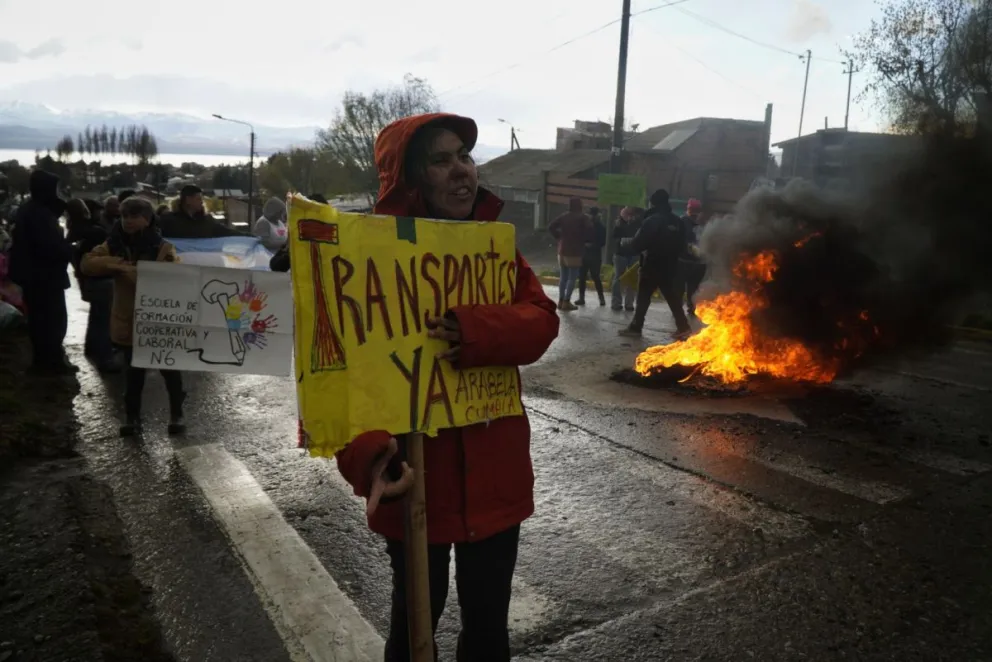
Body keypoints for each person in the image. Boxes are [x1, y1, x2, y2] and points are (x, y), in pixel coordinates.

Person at [334, 112, 559, 662]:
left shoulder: (494, 250)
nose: (462, 171)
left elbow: (542, 321)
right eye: (441, 160)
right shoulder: (366, 257)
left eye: (464, 156)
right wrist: (369, 460)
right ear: (408, 179)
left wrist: (476, 328)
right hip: (414, 481)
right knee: (414, 626)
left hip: (495, 480)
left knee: (487, 629)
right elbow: (336, 376)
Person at [81, 197, 186, 436]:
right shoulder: (113, 244)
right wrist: (120, 265)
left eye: (134, 216)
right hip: (129, 320)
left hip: (160, 321)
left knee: (170, 371)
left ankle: (177, 413)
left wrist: (132, 271)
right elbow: (88, 263)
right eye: (124, 215)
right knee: (134, 373)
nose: (127, 220)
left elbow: (173, 277)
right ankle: (132, 418)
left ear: (147, 220)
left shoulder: (163, 248)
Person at [8, 169, 77, 375]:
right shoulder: (39, 214)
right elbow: (50, 246)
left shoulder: (30, 210)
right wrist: (71, 249)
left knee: (40, 321)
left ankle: (44, 362)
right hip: (44, 278)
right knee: (53, 322)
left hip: (34, 276)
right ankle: (51, 363)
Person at [617, 189, 692, 340]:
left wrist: (627, 244)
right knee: (672, 297)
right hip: (670, 266)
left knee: (644, 296)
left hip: (652, 264)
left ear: (653, 203)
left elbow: (639, 243)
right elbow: (683, 246)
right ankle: (683, 327)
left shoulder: (652, 220)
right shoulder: (677, 221)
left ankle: (636, 327)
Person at [66, 199, 118, 372]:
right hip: (102, 278)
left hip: (86, 279)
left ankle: (92, 348)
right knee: (104, 319)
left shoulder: (73, 232)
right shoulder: (96, 233)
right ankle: (105, 358)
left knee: (96, 315)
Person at [548, 197, 591, 311]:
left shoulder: (564, 216)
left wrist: (559, 237)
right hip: (575, 251)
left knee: (563, 277)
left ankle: (561, 301)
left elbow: (551, 227)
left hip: (562, 250)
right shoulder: (583, 218)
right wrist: (584, 240)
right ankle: (567, 302)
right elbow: (590, 231)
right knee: (572, 278)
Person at [158, 185, 244, 238]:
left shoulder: (207, 221)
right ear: (188, 200)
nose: (202, 202)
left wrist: (252, 238)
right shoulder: (168, 221)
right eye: (198, 199)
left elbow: (227, 232)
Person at [679, 198, 707, 317]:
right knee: (680, 286)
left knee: (693, 287)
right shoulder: (682, 221)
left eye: (696, 210)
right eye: (692, 210)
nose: (694, 213)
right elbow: (679, 239)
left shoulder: (701, 223)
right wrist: (688, 247)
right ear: (688, 209)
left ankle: (692, 307)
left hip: (698, 263)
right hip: (683, 261)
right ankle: (677, 308)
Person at [610, 206, 640, 311]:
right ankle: (616, 302)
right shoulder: (618, 224)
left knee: (632, 280)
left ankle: (629, 303)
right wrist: (622, 241)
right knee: (618, 279)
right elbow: (613, 238)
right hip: (621, 254)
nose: (629, 216)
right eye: (627, 214)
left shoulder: (638, 223)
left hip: (634, 254)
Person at [576, 206, 607, 306]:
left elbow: (602, 242)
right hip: (584, 254)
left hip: (595, 255)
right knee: (582, 277)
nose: (589, 216)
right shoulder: (584, 225)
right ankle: (581, 298)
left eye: (591, 215)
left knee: (595, 276)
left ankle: (601, 298)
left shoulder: (600, 227)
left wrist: (593, 245)